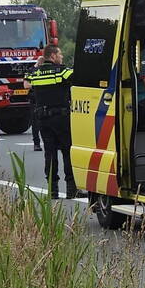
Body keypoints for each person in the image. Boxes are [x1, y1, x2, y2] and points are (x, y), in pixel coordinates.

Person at [24, 45, 82, 199]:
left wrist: (38, 63)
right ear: (54, 55)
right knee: (67, 152)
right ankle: (71, 189)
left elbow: (26, 81)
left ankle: (53, 190)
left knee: (49, 154)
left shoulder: (35, 73)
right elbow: (78, 77)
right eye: (60, 54)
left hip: (43, 119)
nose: (61, 57)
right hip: (61, 118)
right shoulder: (61, 71)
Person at [28, 55, 45, 152]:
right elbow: (26, 84)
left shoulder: (45, 71)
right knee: (35, 124)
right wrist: (38, 83)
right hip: (35, 100)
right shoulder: (32, 71)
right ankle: (36, 143)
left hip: (44, 99)